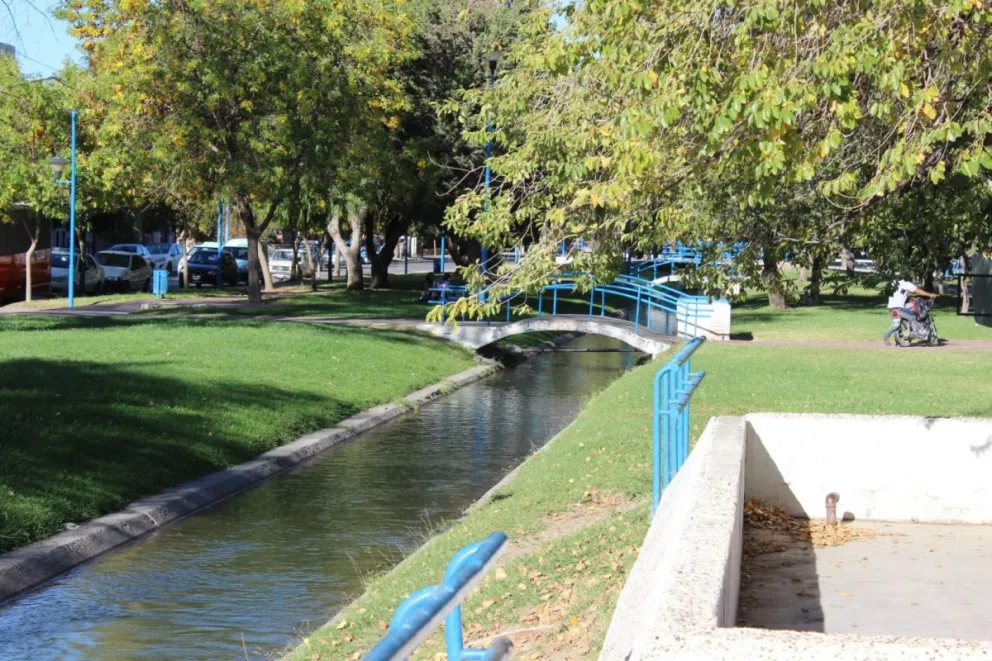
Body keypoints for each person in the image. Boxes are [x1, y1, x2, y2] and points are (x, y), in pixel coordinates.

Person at [882, 277, 937, 345]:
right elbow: (918, 291)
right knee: (913, 316)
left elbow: (901, 294)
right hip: (899, 308)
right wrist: (930, 295)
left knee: (896, 324)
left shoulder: (893, 283)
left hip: (891, 308)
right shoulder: (906, 284)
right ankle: (916, 331)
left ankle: (887, 336)